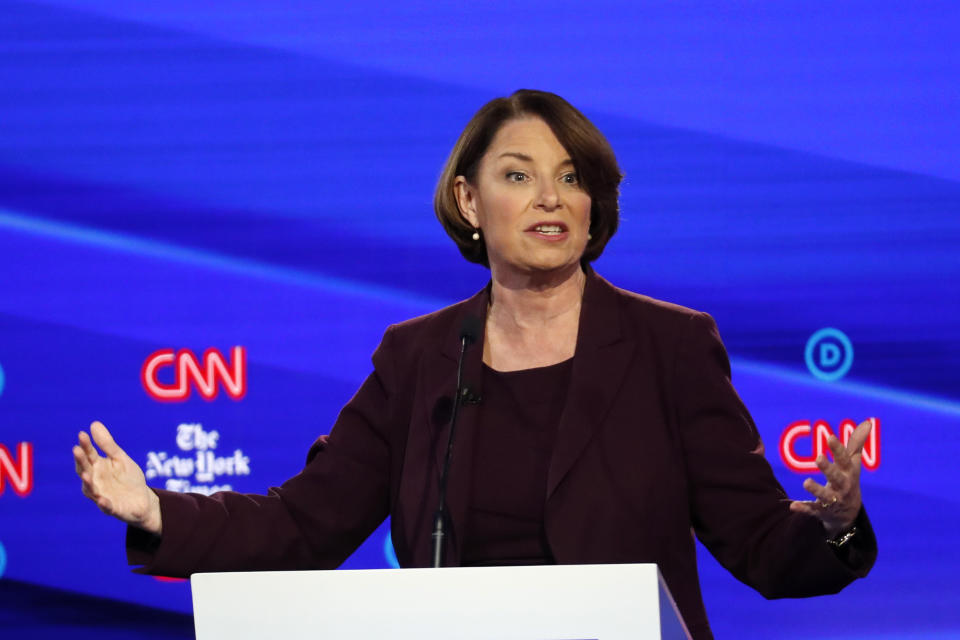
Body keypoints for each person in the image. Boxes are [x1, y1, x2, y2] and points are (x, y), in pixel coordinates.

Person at [74, 89, 875, 639]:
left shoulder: (670, 348)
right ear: (468, 201)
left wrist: (834, 528)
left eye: (572, 180)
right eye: (518, 177)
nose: (550, 200)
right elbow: (303, 525)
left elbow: (762, 545)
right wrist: (158, 514)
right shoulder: (419, 359)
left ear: (596, 207)